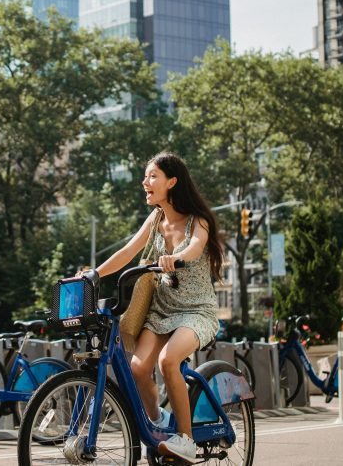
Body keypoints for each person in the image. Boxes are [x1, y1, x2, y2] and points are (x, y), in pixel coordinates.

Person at [89, 152, 223, 463]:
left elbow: (195, 246)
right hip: (162, 310)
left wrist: (177, 258)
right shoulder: (156, 219)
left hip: (196, 311)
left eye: (152, 177)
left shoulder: (196, 221)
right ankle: (160, 424)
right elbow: (127, 251)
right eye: (146, 176)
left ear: (172, 182)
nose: (145, 182)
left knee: (167, 361)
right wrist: (95, 273)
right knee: (137, 367)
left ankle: (186, 440)